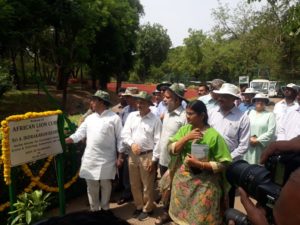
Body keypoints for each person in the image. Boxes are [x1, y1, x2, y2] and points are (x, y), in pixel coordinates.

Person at [168, 100, 232, 225]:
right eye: (186, 113)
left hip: (204, 185)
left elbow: (225, 163)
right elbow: (171, 149)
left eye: (191, 114)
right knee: (181, 215)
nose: (187, 116)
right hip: (183, 183)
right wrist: (186, 138)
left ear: (202, 115)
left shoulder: (214, 136)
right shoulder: (184, 130)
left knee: (201, 217)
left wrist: (200, 165)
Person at [65, 90, 123, 211]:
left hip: (107, 158)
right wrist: (69, 139)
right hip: (90, 157)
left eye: (93, 100)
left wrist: (120, 156)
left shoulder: (114, 118)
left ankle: (105, 208)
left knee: (105, 184)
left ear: (101, 102)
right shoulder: (90, 118)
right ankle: (94, 209)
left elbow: (120, 138)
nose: (91, 102)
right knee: (91, 185)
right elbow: (79, 133)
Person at [121, 91, 162, 221]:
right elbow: (125, 134)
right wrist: (132, 144)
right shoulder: (132, 116)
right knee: (134, 183)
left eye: (142, 102)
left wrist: (154, 160)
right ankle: (139, 206)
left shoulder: (155, 120)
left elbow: (158, 141)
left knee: (147, 184)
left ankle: (148, 208)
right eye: (138, 102)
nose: (139, 104)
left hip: (147, 155)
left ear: (149, 104)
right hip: (133, 155)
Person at [208, 83, 250, 208]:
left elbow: (244, 145)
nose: (220, 98)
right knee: (210, 193)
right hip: (210, 162)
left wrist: (226, 159)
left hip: (230, 165)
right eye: (220, 95)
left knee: (228, 195)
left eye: (225, 96)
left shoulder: (243, 117)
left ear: (234, 99)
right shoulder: (211, 113)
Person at [155, 83, 187, 225]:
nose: (164, 99)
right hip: (163, 159)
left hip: (176, 162)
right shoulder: (167, 113)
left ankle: (176, 214)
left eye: (168, 97)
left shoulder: (185, 117)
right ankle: (166, 212)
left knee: (176, 189)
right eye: (164, 96)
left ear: (177, 99)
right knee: (165, 188)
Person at [117, 87, 139, 205]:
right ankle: (127, 194)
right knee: (126, 172)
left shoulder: (147, 110)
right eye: (126, 97)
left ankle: (139, 196)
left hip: (141, 148)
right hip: (127, 147)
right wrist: (121, 152)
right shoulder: (125, 111)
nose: (127, 99)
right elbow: (122, 132)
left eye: (129, 97)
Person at [243, 93, 276, 164]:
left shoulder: (270, 115)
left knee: (257, 167)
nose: (260, 102)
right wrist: (248, 138)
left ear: (265, 103)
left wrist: (258, 140)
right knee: (245, 166)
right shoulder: (248, 113)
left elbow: (271, 131)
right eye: (257, 100)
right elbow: (242, 128)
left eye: (262, 100)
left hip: (260, 147)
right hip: (247, 145)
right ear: (254, 102)